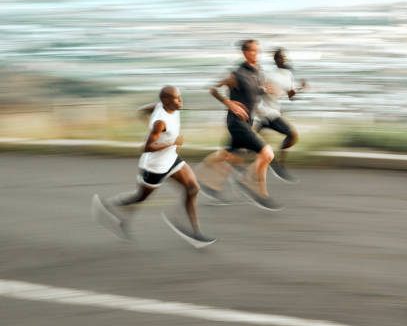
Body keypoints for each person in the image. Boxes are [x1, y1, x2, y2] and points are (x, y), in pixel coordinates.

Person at [91, 85, 216, 247]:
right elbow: (147, 147)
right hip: (155, 167)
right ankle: (107, 206)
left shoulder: (164, 106)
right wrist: (172, 142)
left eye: (180, 97)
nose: (181, 101)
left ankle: (195, 233)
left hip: (172, 159)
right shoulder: (160, 122)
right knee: (139, 197)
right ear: (166, 101)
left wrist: (145, 116)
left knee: (193, 188)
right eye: (177, 98)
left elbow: (145, 109)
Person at [197, 39, 281, 211]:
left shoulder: (259, 72)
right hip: (236, 122)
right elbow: (213, 88)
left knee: (228, 155)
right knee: (267, 154)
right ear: (244, 53)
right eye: (253, 51)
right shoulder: (236, 74)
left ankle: (206, 183)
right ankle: (256, 190)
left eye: (258, 51)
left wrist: (266, 91)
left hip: (248, 122)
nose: (256, 54)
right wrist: (229, 103)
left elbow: (257, 91)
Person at [254, 48, 306, 183]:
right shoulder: (270, 75)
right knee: (293, 135)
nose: (282, 59)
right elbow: (259, 91)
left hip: (272, 112)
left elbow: (290, 96)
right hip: (266, 113)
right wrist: (264, 89)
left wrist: (300, 88)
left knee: (250, 145)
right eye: (280, 58)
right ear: (275, 60)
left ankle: (277, 165)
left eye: (284, 57)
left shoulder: (288, 74)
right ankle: (277, 166)